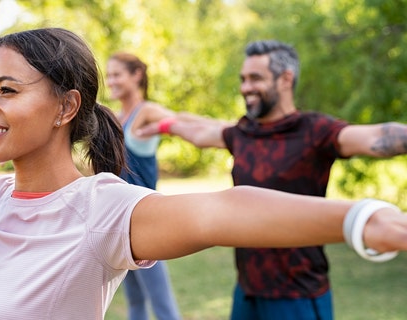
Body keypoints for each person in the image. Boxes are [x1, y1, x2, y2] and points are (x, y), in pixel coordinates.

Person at [0, 29, 407, 320]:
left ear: (67, 107)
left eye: (8, 90)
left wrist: (360, 217)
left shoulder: (102, 211)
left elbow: (225, 211)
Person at [136, 40, 407, 320]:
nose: (245, 87)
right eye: (243, 79)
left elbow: (375, 137)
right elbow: (202, 132)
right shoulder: (242, 132)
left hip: (297, 295)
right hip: (247, 291)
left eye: (255, 78)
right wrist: (164, 126)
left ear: (285, 79)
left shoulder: (315, 131)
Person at [106, 52, 180, 320]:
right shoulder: (115, 117)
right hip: (119, 221)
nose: (110, 80)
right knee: (135, 302)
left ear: (136, 75)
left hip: (147, 221)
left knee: (162, 305)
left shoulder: (146, 112)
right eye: (109, 74)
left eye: (116, 74)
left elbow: (181, 121)